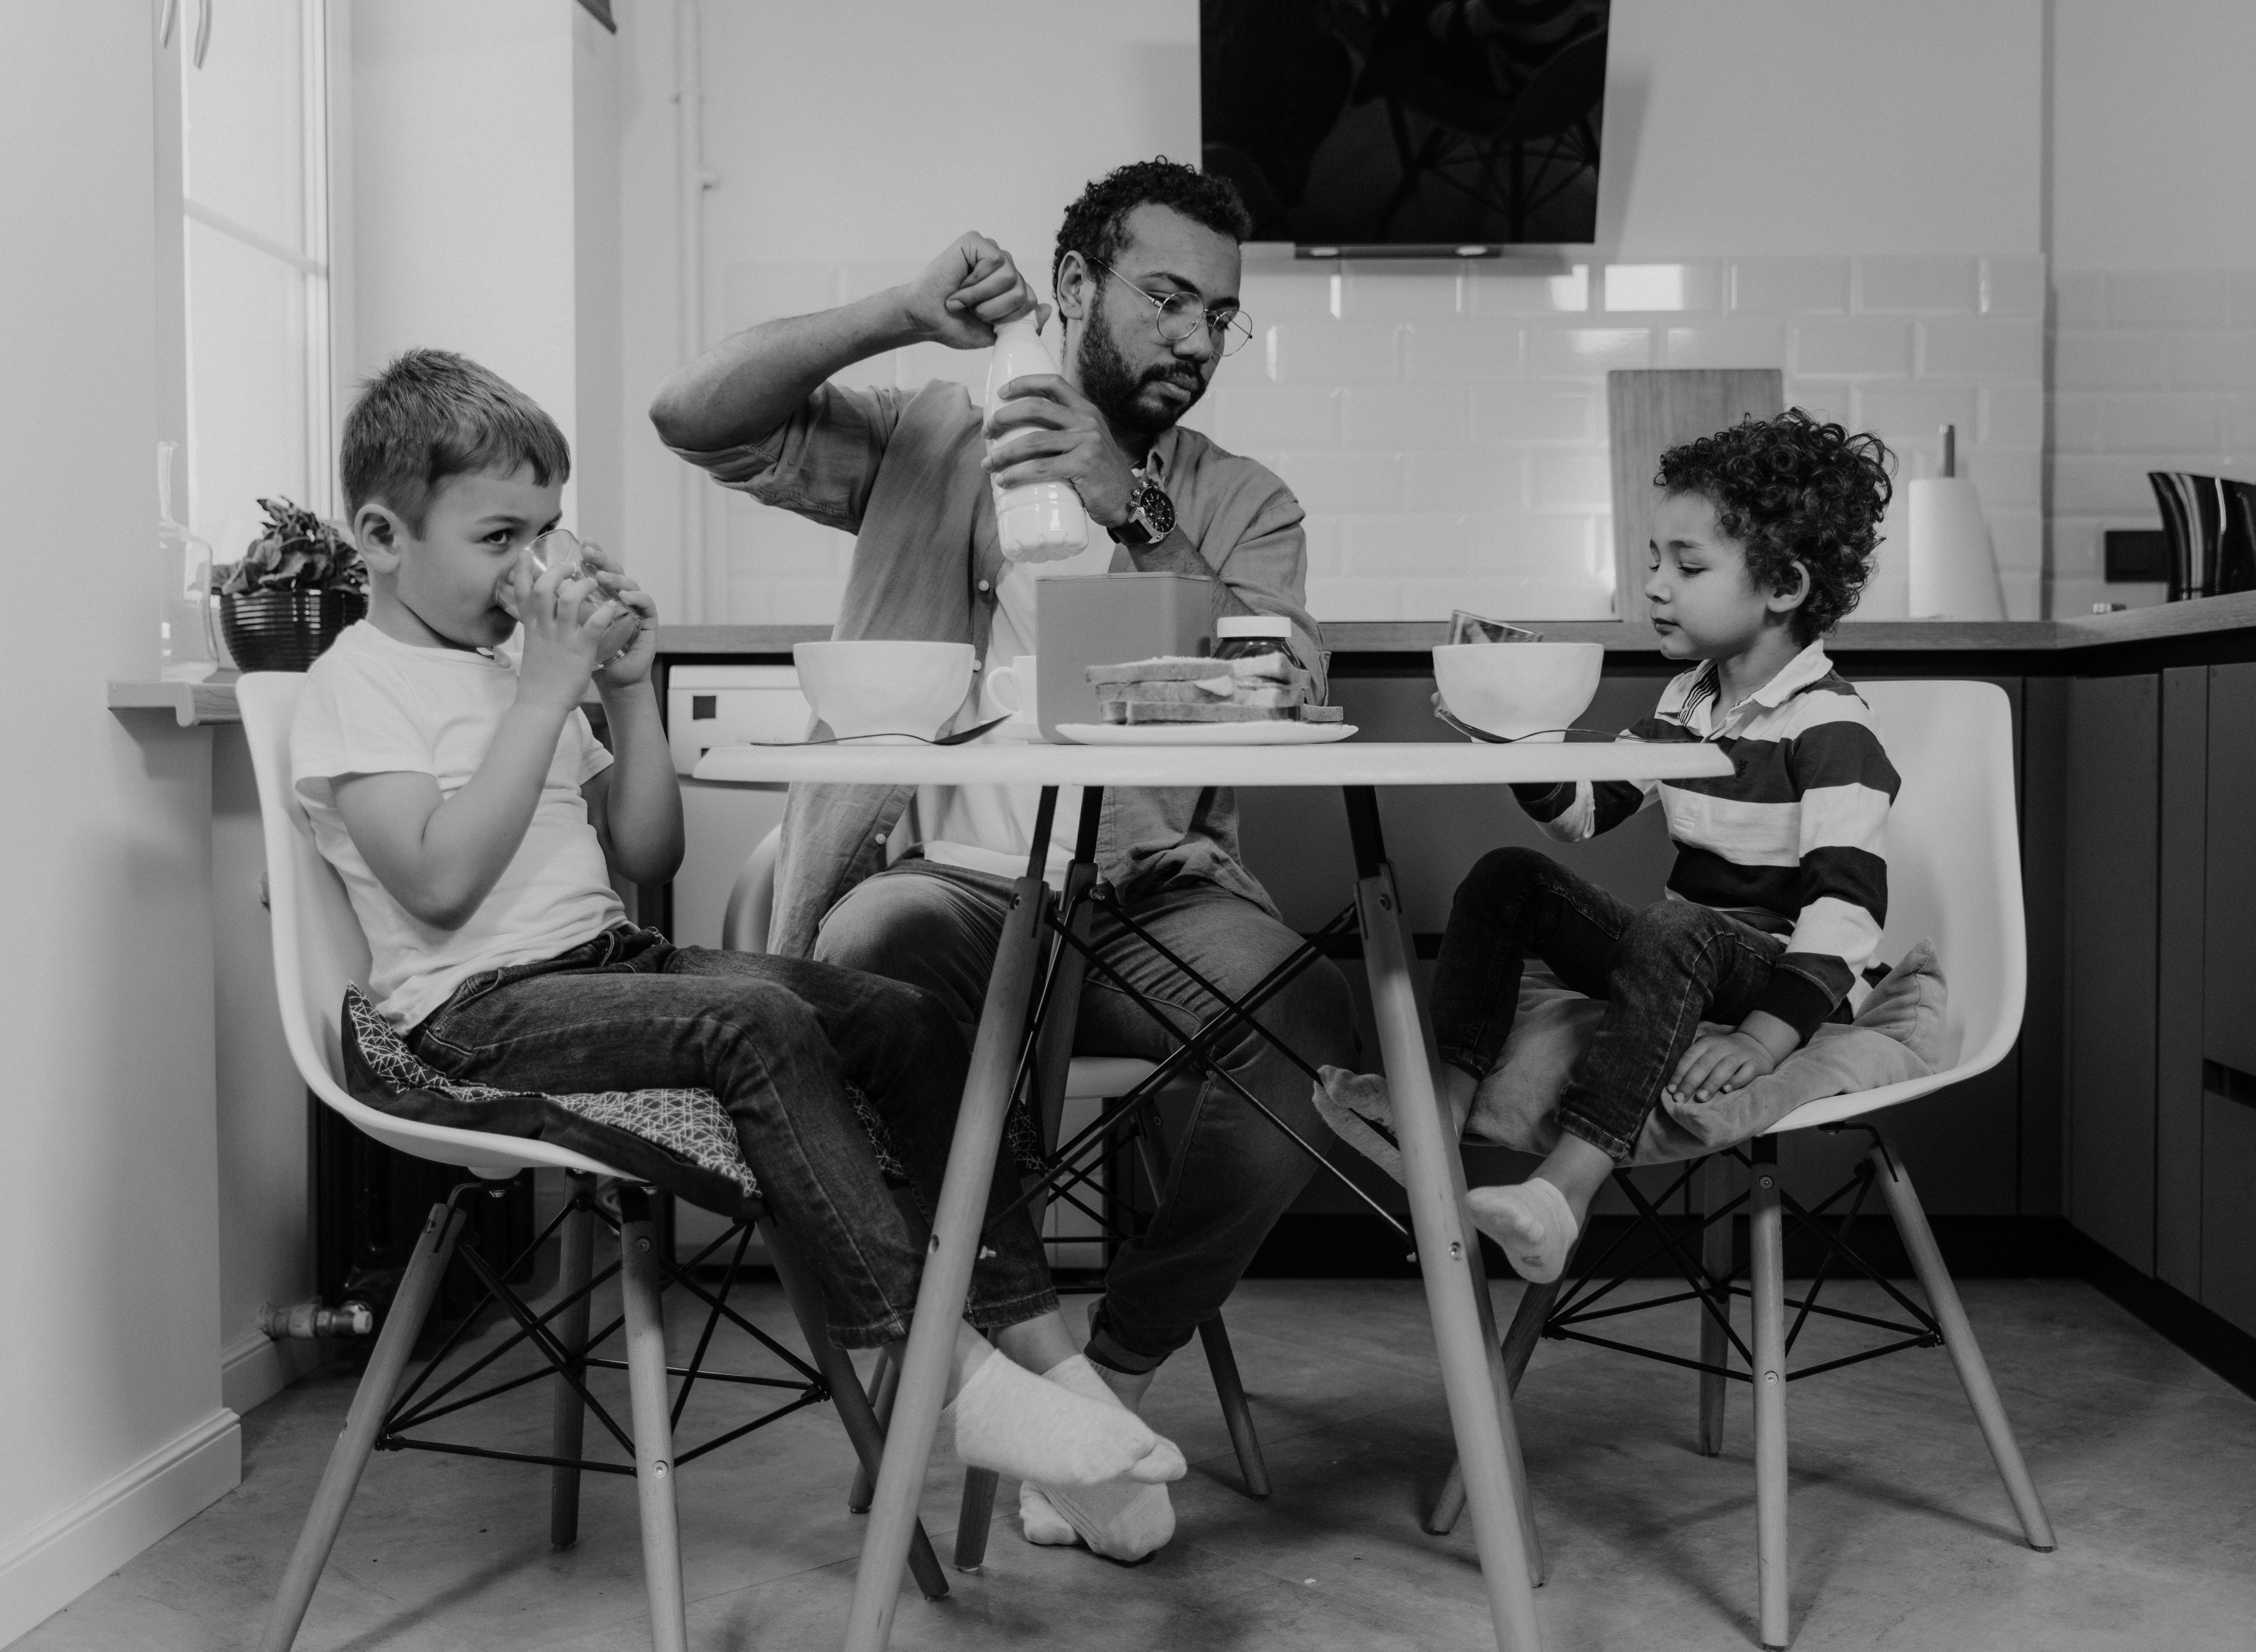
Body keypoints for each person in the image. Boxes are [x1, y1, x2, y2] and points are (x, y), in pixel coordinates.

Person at [292, 349, 1181, 1557]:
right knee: (751, 1024)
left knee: (901, 1016)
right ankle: (942, 1377)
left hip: (600, 964)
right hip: (462, 1018)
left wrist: (627, 691)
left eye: (545, 531)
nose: (532, 566)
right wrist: (549, 696)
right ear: (383, 536)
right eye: (499, 536)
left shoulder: (518, 673)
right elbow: (438, 888)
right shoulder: (357, 684)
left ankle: (1047, 1363)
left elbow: (646, 847)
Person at [650, 160, 1359, 1558]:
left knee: (1309, 1038)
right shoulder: (936, 437)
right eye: (1169, 300)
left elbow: (1275, 683)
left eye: (1223, 315)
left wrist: (1129, 509)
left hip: (1152, 899)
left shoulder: (1243, 498)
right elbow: (697, 415)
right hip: (960, 893)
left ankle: (1115, 1374)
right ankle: (1056, 1399)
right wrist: (898, 311)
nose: (1199, 341)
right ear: (1079, 289)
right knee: (853, 968)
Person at [1317, 411, 1900, 1285]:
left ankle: (1563, 1191)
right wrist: (1513, 734)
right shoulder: (1685, 702)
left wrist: (1769, 1038)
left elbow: (1848, 915)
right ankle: (1435, 1113)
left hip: (1772, 965)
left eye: (1688, 565)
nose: (1656, 586)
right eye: (1655, 560)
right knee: (1509, 878)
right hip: (1689, 949)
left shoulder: (1831, 728)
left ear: (1782, 584)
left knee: (1672, 927)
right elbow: (1586, 810)